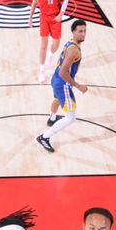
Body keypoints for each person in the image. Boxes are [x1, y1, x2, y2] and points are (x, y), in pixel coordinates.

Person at [36, 19, 88, 153]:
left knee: (57, 99)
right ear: (74, 32)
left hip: (56, 79)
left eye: (84, 31)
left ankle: (52, 118)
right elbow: (64, 71)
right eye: (80, 31)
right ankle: (44, 137)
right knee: (70, 118)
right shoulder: (74, 51)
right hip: (62, 83)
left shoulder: (70, 43)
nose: (83, 34)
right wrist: (78, 86)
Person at [28, 0, 68, 85]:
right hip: (44, 17)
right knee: (43, 45)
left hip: (55, 17)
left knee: (56, 44)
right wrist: (30, 18)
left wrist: (61, 14)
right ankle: (42, 71)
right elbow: (34, 2)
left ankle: (50, 55)